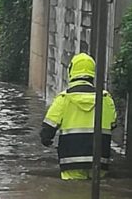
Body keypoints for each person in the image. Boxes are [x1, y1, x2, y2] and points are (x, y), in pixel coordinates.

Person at [40, 52, 117, 180]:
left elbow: (47, 130)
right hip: (99, 161)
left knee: (71, 195)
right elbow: (113, 125)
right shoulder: (105, 98)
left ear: (71, 71)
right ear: (93, 73)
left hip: (70, 161)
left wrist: (46, 139)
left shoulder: (63, 98)